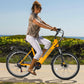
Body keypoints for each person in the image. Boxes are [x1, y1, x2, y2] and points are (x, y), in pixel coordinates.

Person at [26, 1, 57, 75]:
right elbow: (39, 24)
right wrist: (50, 29)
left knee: (48, 42)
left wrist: (52, 27)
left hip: (36, 36)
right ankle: (30, 68)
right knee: (39, 51)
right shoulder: (32, 16)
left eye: (41, 8)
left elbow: (43, 23)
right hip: (31, 37)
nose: (41, 9)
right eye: (39, 8)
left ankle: (40, 59)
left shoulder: (37, 16)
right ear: (35, 8)